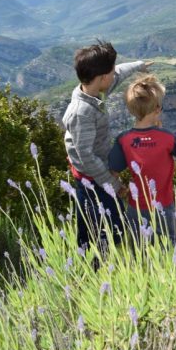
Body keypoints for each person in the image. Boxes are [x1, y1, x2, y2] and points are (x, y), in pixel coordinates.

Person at [62, 40, 150, 250]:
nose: (113, 75)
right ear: (102, 78)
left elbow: (118, 72)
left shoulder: (93, 91)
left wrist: (139, 65)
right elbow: (86, 156)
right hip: (92, 181)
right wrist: (113, 184)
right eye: (109, 73)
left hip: (97, 176)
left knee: (99, 228)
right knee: (106, 230)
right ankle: (92, 272)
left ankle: (91, 268)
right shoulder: (81, 112)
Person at [108, 75, 176, 245]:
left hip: (136, 207)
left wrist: (120, 187)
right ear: (157, 109)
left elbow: (113, 169)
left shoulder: (123, 139)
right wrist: (160, 132)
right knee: (170, 245)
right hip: (164, 204)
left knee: (140, 247)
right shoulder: (168, 138)